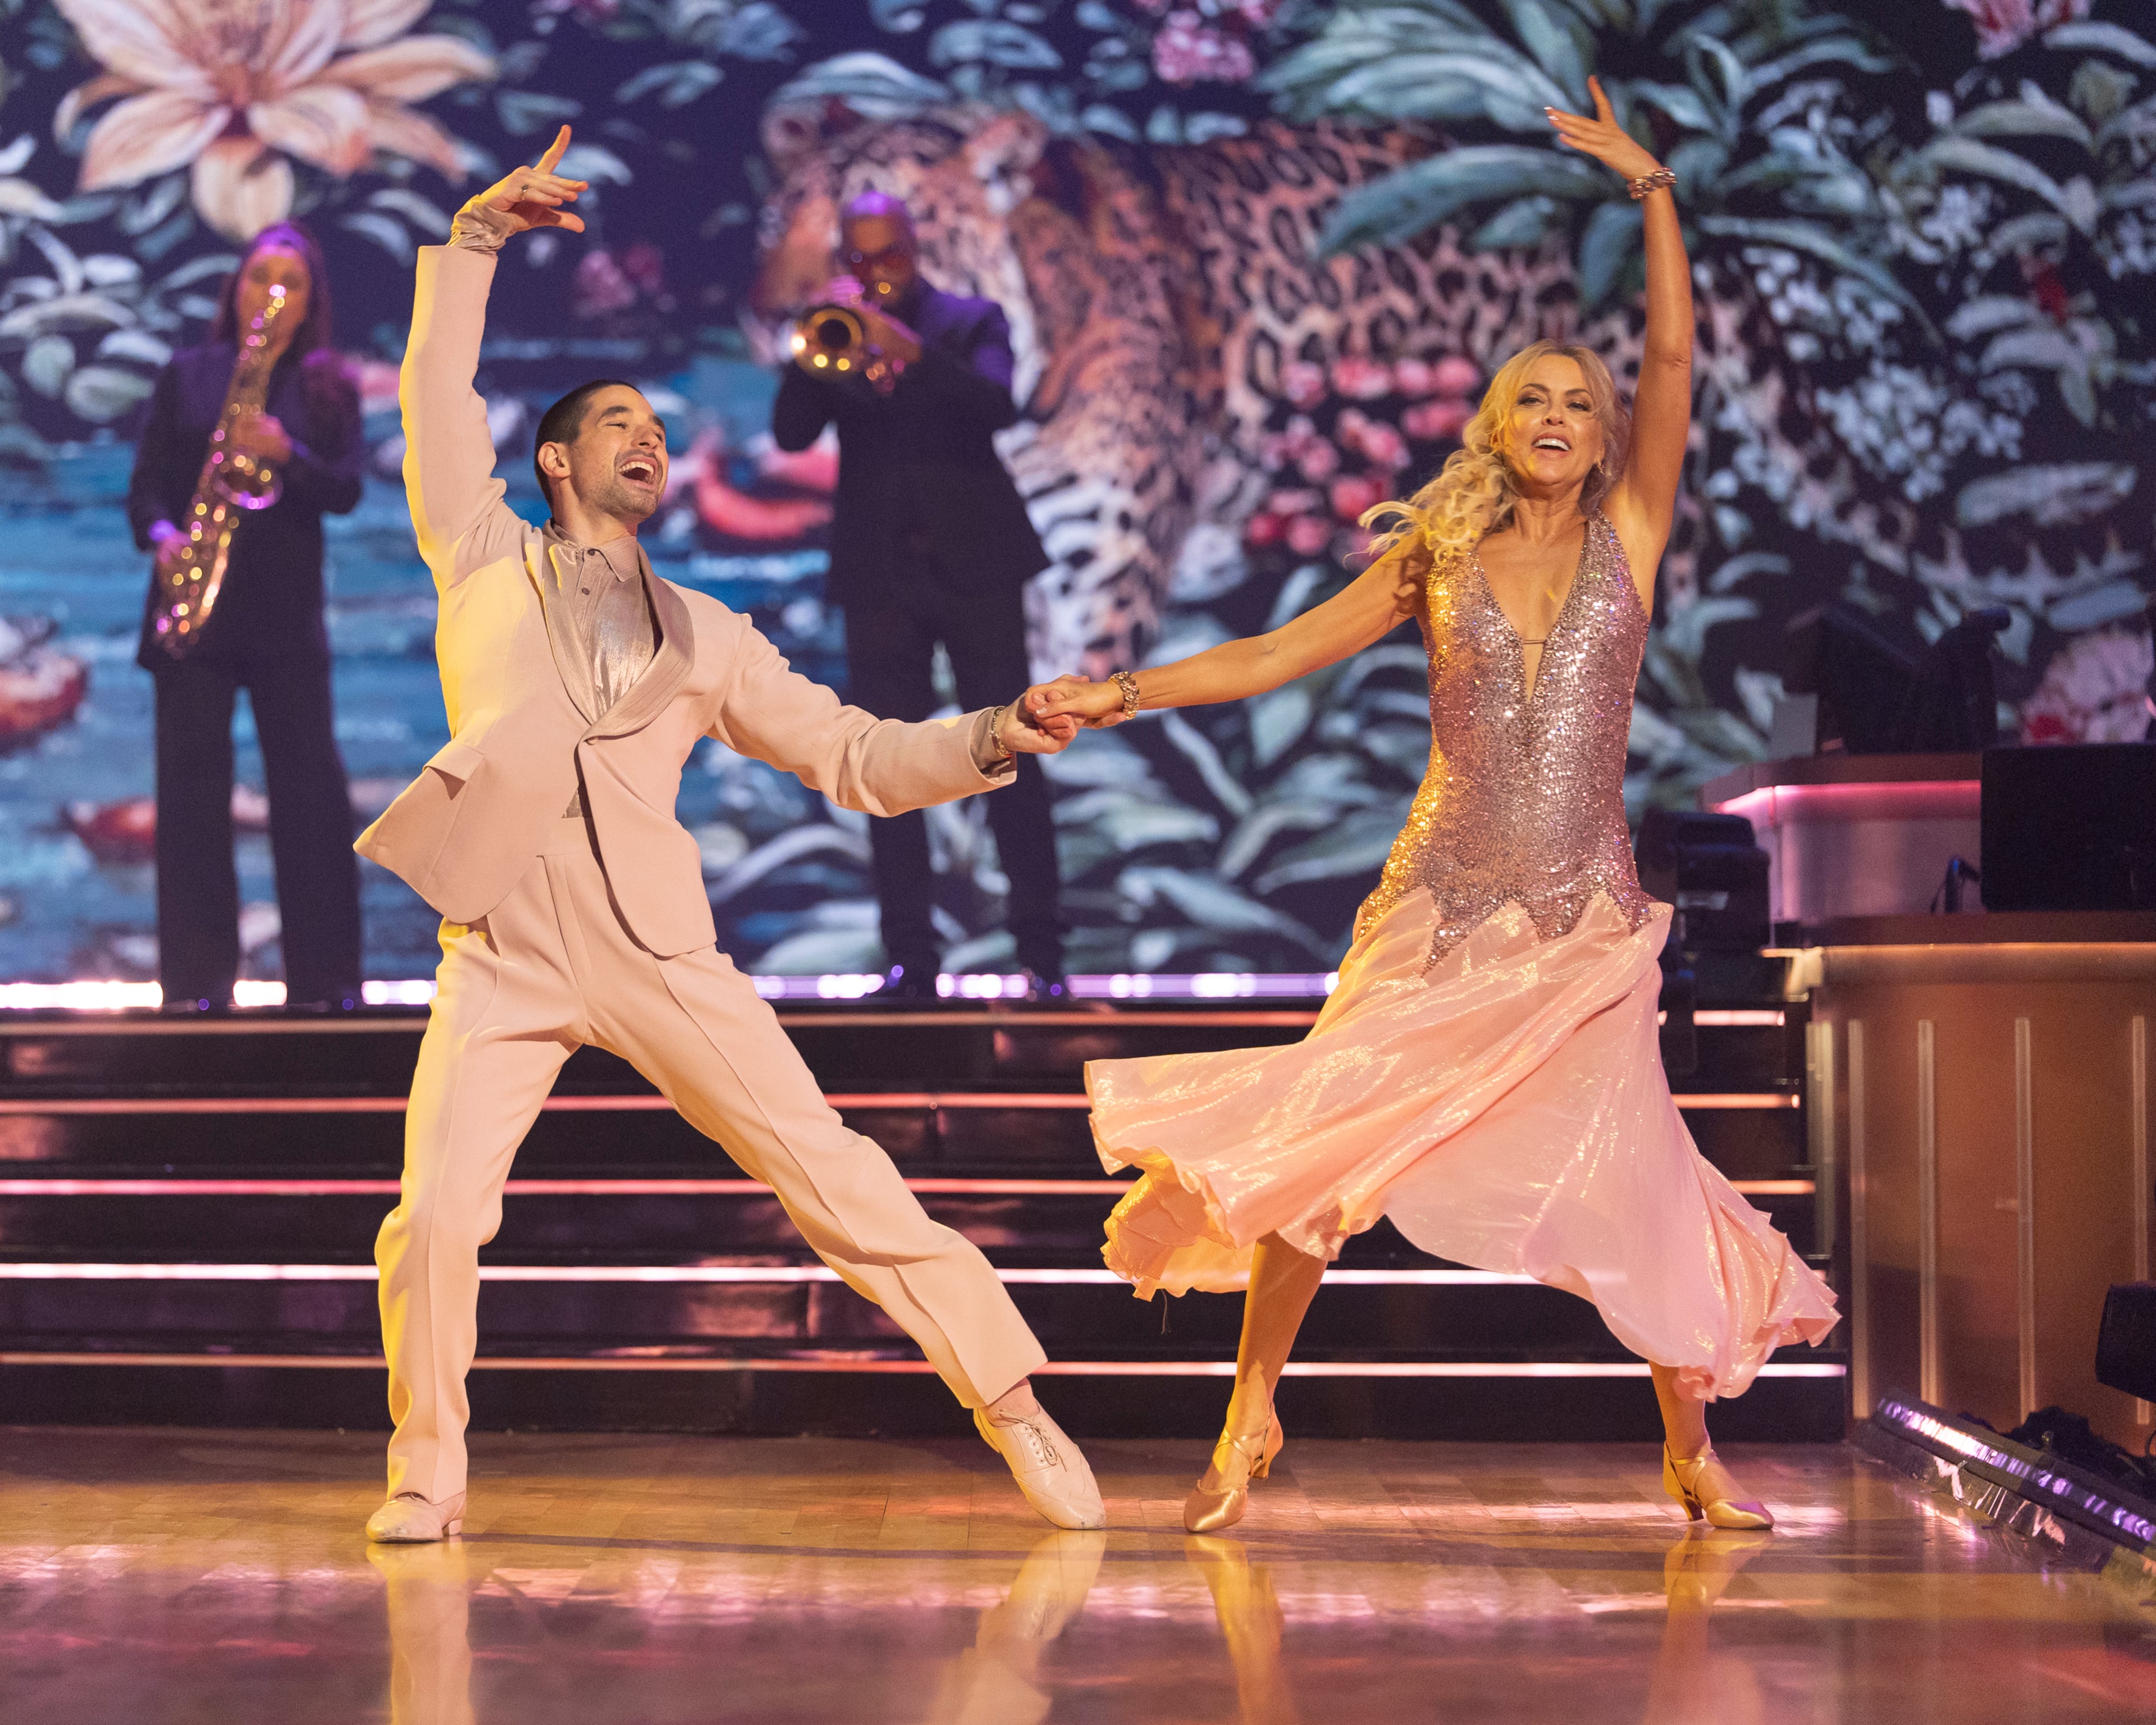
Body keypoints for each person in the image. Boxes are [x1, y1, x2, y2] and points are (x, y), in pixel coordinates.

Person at [1031, 83, 1838, 1534]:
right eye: (1531, 395)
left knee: (1642, 1177)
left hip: (1582, 922)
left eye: (1577, 404)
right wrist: (1122, 689)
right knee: (1329, 1155)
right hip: (1436, 909)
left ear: (1603, 441)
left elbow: (1671, 352)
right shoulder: (1437, 560)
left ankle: (1691, 1451)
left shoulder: (1631, 535)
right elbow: (1276, 653)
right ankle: (1250, 1413)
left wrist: (1653, 190)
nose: (1558, 417)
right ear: (1493, 422)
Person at [354, 130, 1103, 1543]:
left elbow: (858, 756)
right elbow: (430, 392)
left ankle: (1015, 1407)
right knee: (434, 1219)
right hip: (500, 953)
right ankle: (426, 1468)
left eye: (656, 425)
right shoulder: (475, 550)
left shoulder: (708, 631)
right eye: (619, 424)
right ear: (560, 460)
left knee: (839, 1178)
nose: (649, 438)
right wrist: (472, 242)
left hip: (661, 955)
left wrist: (995, 731)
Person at [770, 190, 1066, 1001]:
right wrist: (813, 349)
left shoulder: (971, 322)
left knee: (1015, 756)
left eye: (887, 255)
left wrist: (911, 352)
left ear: (914, 248)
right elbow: (792, 433)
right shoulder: (835, 333)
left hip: (977, 569)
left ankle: (1042, 957)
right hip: (881, 579)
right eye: (859, 260)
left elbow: (995, 407)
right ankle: (910, 963)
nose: (876, 273)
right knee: (883, 768)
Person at [126, 221, 366, 1012]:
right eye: (259, 276)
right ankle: (195, 989)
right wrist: (163, 536)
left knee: (310, 802)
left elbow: (346, 489)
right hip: (196, 612)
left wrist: (286, 451)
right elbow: (149, 486)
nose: (271, 293)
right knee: (191, 802)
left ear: (310, 303)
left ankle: (325, 988)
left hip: (285, 617)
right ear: (235, 287)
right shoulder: (189, 375)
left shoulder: (329, 384)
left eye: (290, 282)